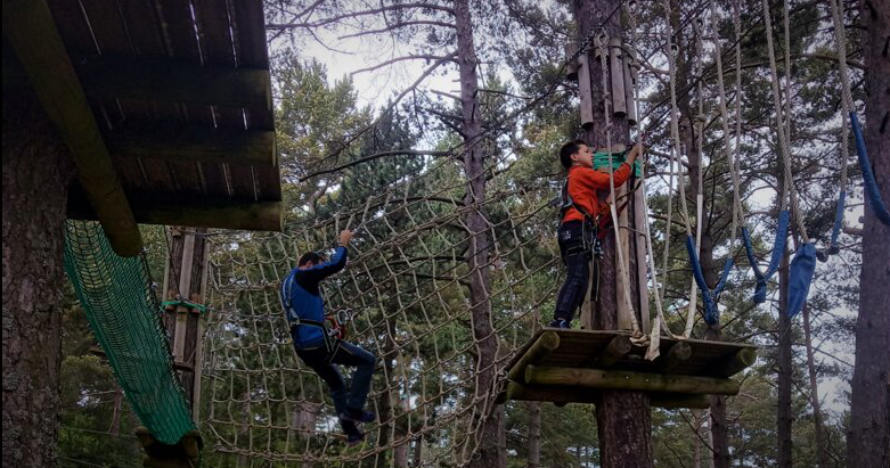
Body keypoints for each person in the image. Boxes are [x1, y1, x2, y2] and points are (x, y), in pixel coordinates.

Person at [280, 229, 377, 445]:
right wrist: (343, 243)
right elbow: (336, 264)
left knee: (337, 384)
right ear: (309, 264)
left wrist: (329, 325)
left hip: (304, 348)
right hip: (317, 344)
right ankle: (354, 408)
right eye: (318, 267)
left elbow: (303, 312)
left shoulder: (287, 283)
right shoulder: (304, 275)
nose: (319, 275)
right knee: (367, 360)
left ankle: (351, 432)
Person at [549, 139, 643, 329]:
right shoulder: (580, 173)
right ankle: (560, 319)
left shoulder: (576, 180)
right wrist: (632, 155)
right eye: (586, 151)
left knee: (581, 277)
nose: (591, 155)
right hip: (576, 228)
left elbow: (591, 209)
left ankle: (563, 319)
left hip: (574, 229)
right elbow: (614, 180)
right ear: (574, 157)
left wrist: (607, 203)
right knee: (577, 276)